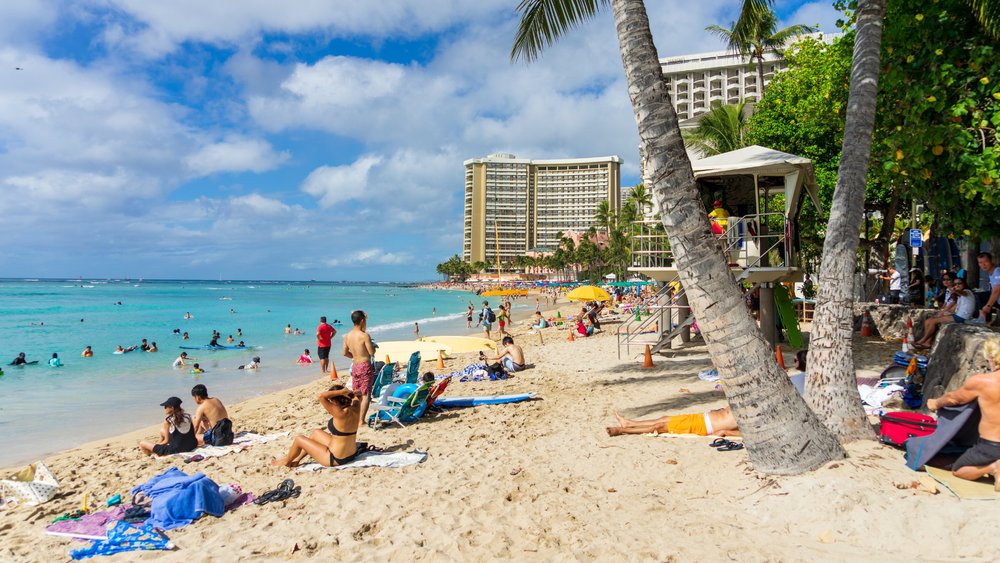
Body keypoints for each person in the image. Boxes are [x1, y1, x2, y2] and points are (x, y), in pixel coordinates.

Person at [927, 339, 1000, 487]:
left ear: (992, 359)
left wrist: (935, 403)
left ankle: (994, 468)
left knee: (959, 469)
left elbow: (954, 399)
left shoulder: (983, 382)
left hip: (992, 447)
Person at [270, 384, 380, 468]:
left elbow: (321, 396)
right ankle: (297, 459)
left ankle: (286, 462)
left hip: (335, 458)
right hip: (351, 453)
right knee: (316, 433)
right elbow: (359, 395)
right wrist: (350, 393)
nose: (330, 403)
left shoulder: (339, 413)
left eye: (332, 401)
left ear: (335, 401)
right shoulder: (355, 408)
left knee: (299, 439)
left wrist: (342, 391)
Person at [913, 278, 976, 349]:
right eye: (955, 284)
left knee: (932, 321)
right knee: (928, 321)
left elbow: (962, 293)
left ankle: (923, 340)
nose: (957, 285)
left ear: (964, 284)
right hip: (958, 315)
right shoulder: (960, 295)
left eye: (959, 283)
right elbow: (955, 307)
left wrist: (954, 290)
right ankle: (927, 342)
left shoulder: (967, 291)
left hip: (961, 317)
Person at [606, 406, 741, 438]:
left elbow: (747, 433)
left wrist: (725, 432)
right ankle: (629, 423)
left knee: (660, 427)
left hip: (703, 426)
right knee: (663, 419)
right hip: (701, 418)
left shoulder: (754, 418)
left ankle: (621, 430)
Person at [343, 310, 376, 424]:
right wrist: (373, 347)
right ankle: (361, 420)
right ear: (362, 321)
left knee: (356, 393)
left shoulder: (347, 336)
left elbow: (345, 353)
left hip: (355, 365)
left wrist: (354, 356)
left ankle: (355, 417)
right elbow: (371, 352)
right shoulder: (364, 335)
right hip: (365, 365)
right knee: (366, 394)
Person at [976, 252, 1000, 324]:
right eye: (980, 262)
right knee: (982, 295)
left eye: (986, 262)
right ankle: (982, 318)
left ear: (991, 261)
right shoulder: (990, 273)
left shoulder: (997, 271)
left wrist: (988, 305)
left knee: (983, 296)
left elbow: (997, 289)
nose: (983, 265)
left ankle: (983, 319)